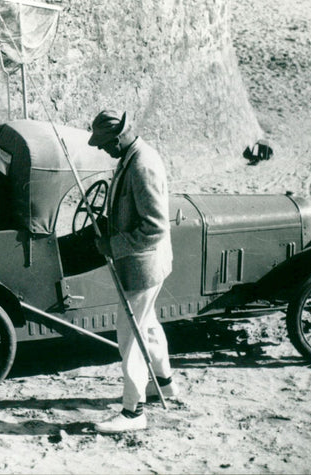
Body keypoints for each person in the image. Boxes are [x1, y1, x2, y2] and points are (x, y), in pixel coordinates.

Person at [88, 110, 176, 432]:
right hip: (144, 264)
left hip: (143, 266)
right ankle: (164, 383)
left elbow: (155, 227)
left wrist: (114, 245)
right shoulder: (131, 156)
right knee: (148, 326)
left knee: (130, 336)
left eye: (106, 144)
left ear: (121, 136)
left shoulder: (142, 164)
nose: (103, 150)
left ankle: (133, 412)